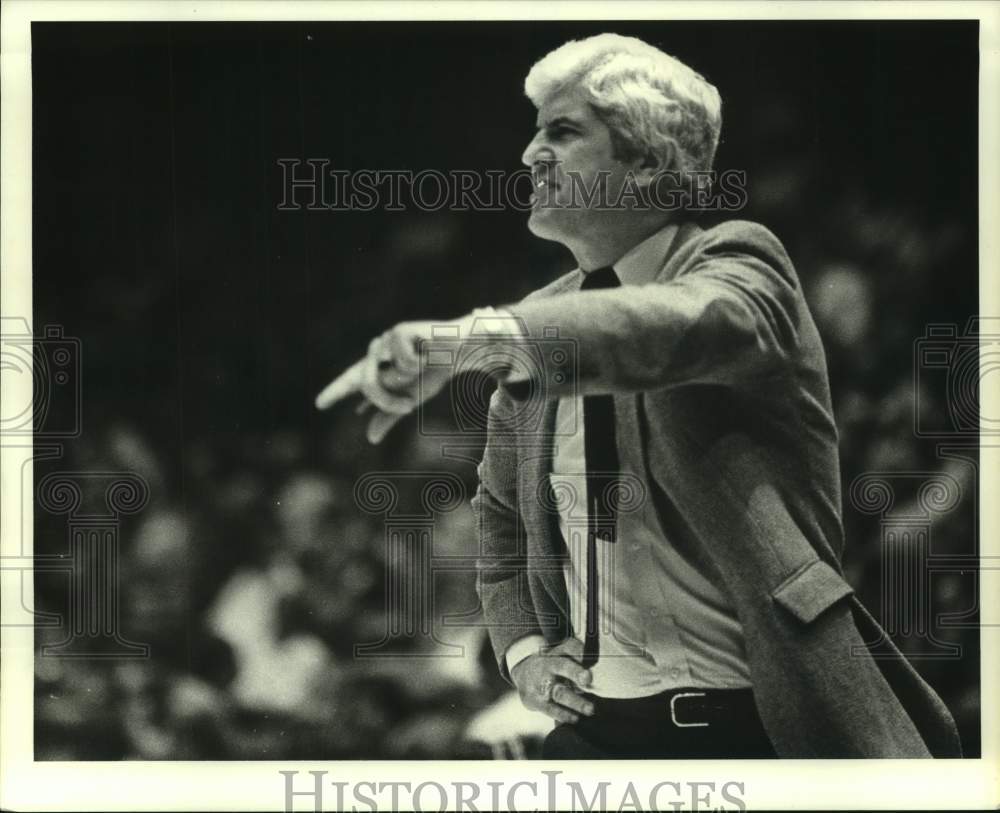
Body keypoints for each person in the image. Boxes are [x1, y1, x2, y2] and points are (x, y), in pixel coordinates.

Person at [316, 33, 961, 758]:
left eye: (563, 131)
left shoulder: (741, 264)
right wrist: (524, 653)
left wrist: (481, 337)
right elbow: (500, 522)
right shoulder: (542, 317)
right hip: (598, 732)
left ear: (650, 161)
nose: (529, 154)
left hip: (764, 726)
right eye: (535, 132)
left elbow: (665, 325)